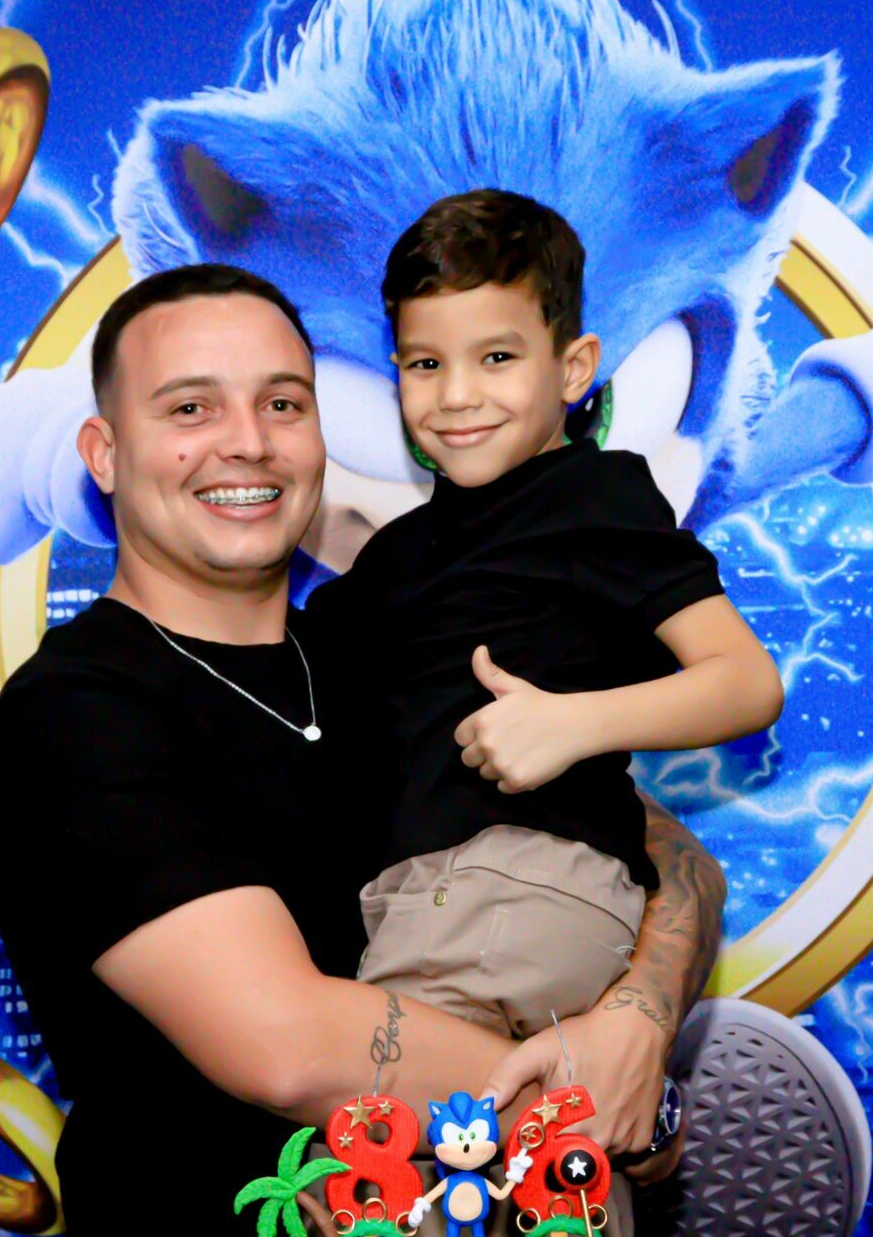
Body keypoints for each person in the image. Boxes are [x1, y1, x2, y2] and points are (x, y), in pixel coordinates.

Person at [0, 264, 726, 1235]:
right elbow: (289, 1044)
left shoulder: (391, 652)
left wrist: (640, 1021)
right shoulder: (77, 709)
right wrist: (589, 1105)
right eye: (190, 407)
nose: (247, 440)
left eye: (283, 402)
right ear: (105, 453)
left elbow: (675, 859)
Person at [305, 189, 783, 1047]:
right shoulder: (397, 555)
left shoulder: (596, 494)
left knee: (384, 1120)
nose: (457, 395)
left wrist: (571, 724)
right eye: (425, 364)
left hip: (511, 891)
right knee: (494, 1136)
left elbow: (746, 682)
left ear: (573, 368)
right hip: (417, 906)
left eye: (496, 357)